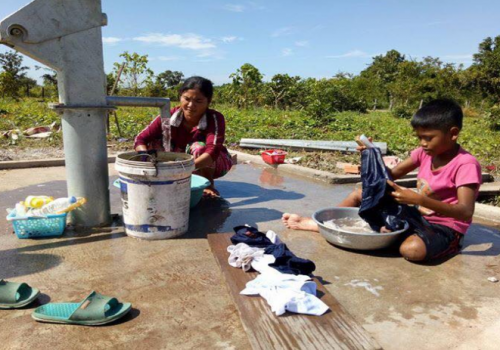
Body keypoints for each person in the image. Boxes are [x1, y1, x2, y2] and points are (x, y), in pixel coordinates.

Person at [282, 99, 482, 262]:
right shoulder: (424, 153)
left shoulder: (465, 164)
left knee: (411, 251)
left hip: (444, 226)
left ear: (453, 134)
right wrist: (371, 155)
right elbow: (391, 175)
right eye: (419, 137)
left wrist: (418, 200)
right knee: (360, 194)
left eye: (429, 138)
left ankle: (442, 243)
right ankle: (327, 227)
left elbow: (465, 212)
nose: (423, 143)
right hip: (414, 214)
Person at [134, 76, 233, 197]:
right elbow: (140, 139)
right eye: (187, 99)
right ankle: (162, 178)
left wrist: (185, 167)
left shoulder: (214, 118)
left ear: (208, 101)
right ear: (180, 96)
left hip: (212, 162)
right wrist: (144, 156)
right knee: (152, 144)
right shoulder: (168, 116)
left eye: (198, 101)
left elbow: (213, 150)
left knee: (199, 147)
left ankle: (207, 183)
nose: (191, 105)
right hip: (179, 159)